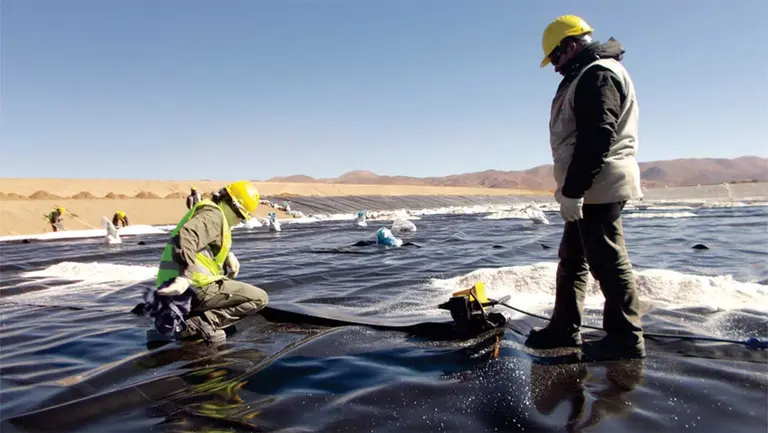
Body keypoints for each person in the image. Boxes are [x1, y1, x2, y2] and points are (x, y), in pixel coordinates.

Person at [525, 15, 645, 360]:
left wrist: (575, 191)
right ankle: (564, 328)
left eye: (556, 58)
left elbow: (598, 136)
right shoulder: (584, 73)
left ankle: (625, 339)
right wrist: (571, 190)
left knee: (607, 260)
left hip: (598, 185)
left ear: (572, 46)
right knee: (573, 258)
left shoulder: (598, 75)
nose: (554, 67)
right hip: (586, 186)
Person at [144, 180, 269, 343]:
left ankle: (187, 321)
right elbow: (187, 235)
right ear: (232, 204)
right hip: (192, 287)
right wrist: (184, 277)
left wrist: (227, 255)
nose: (239, 221)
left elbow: (202, 243)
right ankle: (200, 323)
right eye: (240, 216)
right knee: (259, 298)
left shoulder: (211, 212)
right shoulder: (214, 215)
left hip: (173, 288)